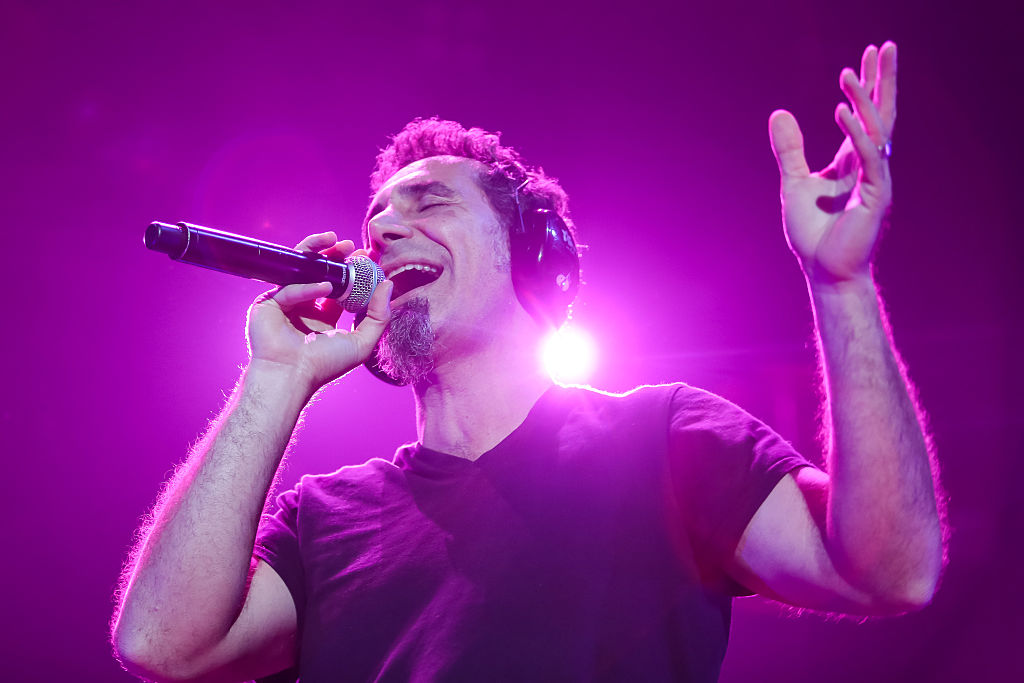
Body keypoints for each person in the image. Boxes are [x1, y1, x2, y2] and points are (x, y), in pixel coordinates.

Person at [112, 41, 944, 682]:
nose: (384, 231)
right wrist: (275, 380)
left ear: (532, 252)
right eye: (374, 221)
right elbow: (161, 644)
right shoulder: (324, 519)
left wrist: (840, 284)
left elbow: (887, 573)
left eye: (428, 201)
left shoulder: (662, 438)